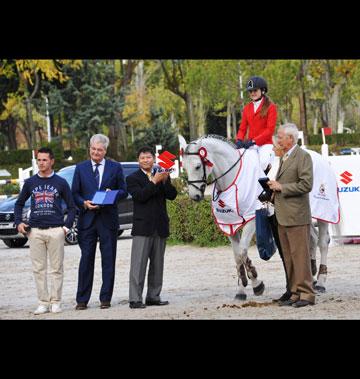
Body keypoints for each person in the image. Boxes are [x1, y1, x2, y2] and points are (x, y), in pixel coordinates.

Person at [14, 147, 76, 315]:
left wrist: (65, 228)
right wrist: (18, 222)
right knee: (38, 269)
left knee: (57, 269)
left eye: (44, 160)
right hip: (35, 232)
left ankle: (56, 302)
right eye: (39, 160)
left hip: (56, 230)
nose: (41, 163)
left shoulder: (61, 182)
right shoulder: (30, 183)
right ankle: (43, 302)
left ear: (52, 161)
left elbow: (72, 207)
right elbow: (19, 204)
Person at [72, 134, 127, 310]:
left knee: (108, 260)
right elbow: (74, 193)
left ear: (105, 151)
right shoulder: (80, 168)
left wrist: (113, 194)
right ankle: (82, 300)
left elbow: (124, 191)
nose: (96, 152)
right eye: (93, 149)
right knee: (86, 260)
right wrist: (84, 203)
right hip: (87, 221)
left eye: (100, 150)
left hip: (107, 220)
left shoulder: (115, 167)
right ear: (89, 148)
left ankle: (105, 298)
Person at [268, 123, 315, 308]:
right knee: (289, 257)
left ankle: (307, 294)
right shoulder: (284, 157)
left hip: (297, 216)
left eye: (280, 137)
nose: (278, 140)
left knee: (300, 256)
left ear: (291, 139)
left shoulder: (303, 156)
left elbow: (306, 184)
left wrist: (282, 187)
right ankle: (295, 292)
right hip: (283, 215)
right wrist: (273, 189)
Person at [126, 146, 177, 309]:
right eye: (142, 158)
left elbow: (172, 195)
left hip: (160, 226)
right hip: (142, 227)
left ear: (153, 159)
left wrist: (165, 181)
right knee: (138, 265)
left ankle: (153, 296)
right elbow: (140, 196)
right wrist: (154, 181)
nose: (146, 160)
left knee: (157, 264)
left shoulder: (160, 174)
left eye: (148, 157)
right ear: (138, 160)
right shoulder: (132, 178)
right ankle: (135, 299)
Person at [235, 76, 277, 174]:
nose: (252, 93)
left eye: (255, 90)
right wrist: (239, 140)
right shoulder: (247, 108)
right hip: (250, 144)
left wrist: (254, 141)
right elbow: (242, 128)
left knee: (263, 162)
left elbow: (269, 130)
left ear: (262, 90)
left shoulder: (271, 107)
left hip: (265, 144)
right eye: (250, 91)